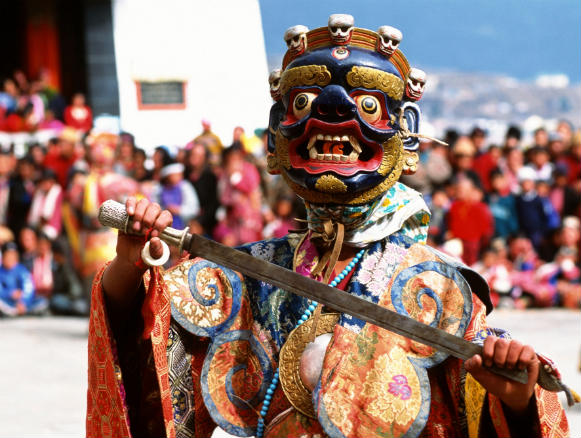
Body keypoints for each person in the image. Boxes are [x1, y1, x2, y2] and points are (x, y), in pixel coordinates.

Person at [87, 17, 572, 438]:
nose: (333, 109)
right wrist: (130, 265)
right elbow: (143, 352)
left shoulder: (441, 288)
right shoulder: (246, 275)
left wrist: (515, 400)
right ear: (276, 135)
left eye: (368, 106)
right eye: (303, 102)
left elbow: (490, 405)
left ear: (405, 134)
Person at [0, 241, 47, 316]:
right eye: (8, 255)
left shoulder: (22, 270)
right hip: (7, 301)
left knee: (42, 301)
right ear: (3, 257)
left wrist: (23, 301)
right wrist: (10, 293)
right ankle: (15, 311)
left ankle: (18, 311)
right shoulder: (1, 271)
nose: (10, 258)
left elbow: (29, 289)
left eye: (13, 255)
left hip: (23, 303)